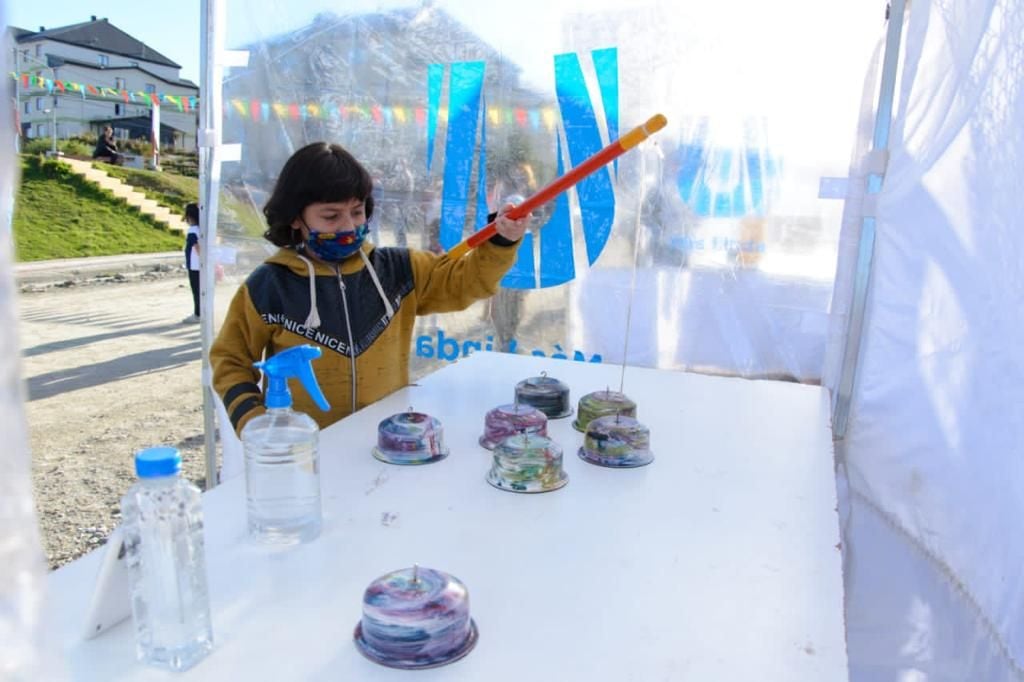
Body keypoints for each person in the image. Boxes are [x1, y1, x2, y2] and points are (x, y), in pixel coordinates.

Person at [211, 142, 529, 435]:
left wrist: (502, 241)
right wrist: (256, 426)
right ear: (296, 218)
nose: (349, 226)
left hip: (388, 445)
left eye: (357, 211)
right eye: (331, 216)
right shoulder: (269, 286)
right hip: (306, 452)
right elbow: (231, 361)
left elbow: (465, 282)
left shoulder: (398, 269)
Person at [182, 203, 201, 324]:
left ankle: (198, 314)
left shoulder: (192, 230)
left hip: (195, 265)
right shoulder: (201, 229)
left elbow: (196, 246)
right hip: (200, 265)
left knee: (196, 290)